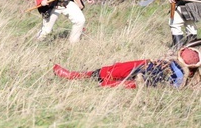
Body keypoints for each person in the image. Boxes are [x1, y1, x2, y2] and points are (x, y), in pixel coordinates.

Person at [53, 42, 201, 89]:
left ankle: (105, 83)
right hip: (146, 66)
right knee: (115, 69)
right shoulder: (168, 63)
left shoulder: (181, 79)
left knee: (137, 82)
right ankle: (75, 76)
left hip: (149, 80)